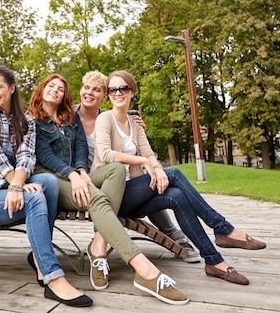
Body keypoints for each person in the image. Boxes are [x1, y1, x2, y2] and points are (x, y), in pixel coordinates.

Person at [92, 70, 267, 286]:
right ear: (108, 94)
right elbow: (105, 154)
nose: (118, 93)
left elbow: (148, 153)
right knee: (173, 173)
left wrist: (155, 166)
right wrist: (145, 163)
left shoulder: (134, 123)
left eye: (123, 88)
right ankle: (223, 228)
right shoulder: (104, 119)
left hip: (135, 196)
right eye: (113, 89)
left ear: (132, 92)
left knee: (177, 196)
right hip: (113, 198)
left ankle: (214, 261)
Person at [28, 73, 189, 305]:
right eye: (50, 86)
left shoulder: (69, 117)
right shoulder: (32, 120)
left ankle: (98, 246)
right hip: (51, 180)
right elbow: (45, 156)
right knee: (97, 198)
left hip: (77, 176)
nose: (55, 90)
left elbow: (81, 145)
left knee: (114, 168)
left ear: (65, 95)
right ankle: (144, 270)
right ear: (41, 89)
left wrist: (82, 171)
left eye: (60, 88)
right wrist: (73, 175)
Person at [0, 65, 92, 307]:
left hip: (11, 189)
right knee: (35, 197)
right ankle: (53, 276)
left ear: (11, 88)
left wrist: (17, 185)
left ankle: (39, 258)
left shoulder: (28, 121)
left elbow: (26, 157)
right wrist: (17, 187)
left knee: (47, 182)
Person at [75, 71, 201, 263]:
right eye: (86, 87)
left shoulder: (115, 117)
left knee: (158, 185)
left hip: (123, 178)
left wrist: (136, 130)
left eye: (97, 90)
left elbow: (134, 141)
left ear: (104, 96)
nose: (90, 93)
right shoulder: (69, 117)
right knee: (156, 179)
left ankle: (176, 234)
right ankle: (203, 230)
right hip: (94, 180)